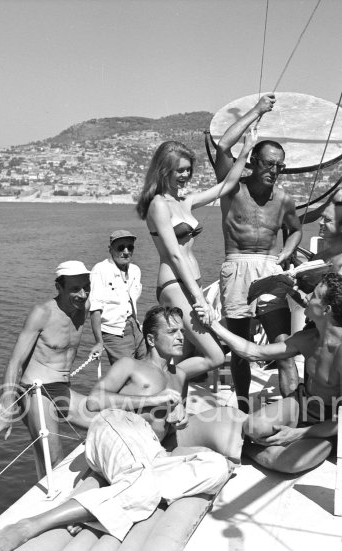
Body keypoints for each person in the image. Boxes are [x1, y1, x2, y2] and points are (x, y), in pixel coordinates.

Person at [0, 305, 231, 551]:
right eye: (172, 331)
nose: (181, 337)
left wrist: (180, 417)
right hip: (118, 426)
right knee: (144, 490)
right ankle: (31, 525)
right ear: (151, 339)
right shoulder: (130, 365)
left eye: (182, 331)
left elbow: (215, 359)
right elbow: (95, 401)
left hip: (148, 450)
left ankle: (101, 507)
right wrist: (152, 400)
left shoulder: (179, 377)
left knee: (217, 467)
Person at [197, 272, 342, 474]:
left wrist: (296, 434)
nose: (307, 297)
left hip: (327, 424)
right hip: (302, 404)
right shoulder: (309, 338)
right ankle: (246, 446)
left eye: (315, 295)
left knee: (289, 463)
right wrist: (212, 324)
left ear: (326, 309)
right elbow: (256, 352)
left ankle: (245, 449)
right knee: (253, 427)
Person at [136, 131, 257, 380]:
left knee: (183, 354)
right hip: (175, 283)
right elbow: (175, 255)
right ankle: (156, 379)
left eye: (188, 170)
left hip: (191, 284)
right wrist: (199, 299)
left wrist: (246, 150)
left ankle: (173, 402)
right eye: (179, 170)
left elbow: (227, 185)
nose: (185, 176)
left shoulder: (184, 201)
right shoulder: (158, 204)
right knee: (215, 356)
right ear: (164, 170)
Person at [215, 93, 303, 411]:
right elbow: (224, 146)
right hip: (237, 266)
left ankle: (291, 405)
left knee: (282, 343)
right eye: (268, 164)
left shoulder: (284, 200)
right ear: (253, 162)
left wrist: (285, 254)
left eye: (279, 166)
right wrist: (257, 111)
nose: (274, 171)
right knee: (241, 347)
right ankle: (241, 408)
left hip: (270, 267)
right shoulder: (232, 189)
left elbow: (294, 231)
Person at [0, 261, 97, 478]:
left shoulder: (83, 306)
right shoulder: (42, 313)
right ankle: (51, 503)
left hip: (62, 388)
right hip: (36, 392)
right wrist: (8, 406)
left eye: (87, 287)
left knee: (107, 424)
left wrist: (100, 340)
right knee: (52, 457)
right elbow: (15, 362)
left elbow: (103, 308)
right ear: (59, 287)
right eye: (75, 288)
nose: (83, 294)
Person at [90, 230, 146, 365]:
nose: (126, 251)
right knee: (127, 374)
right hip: (114, 332)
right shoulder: (100, 270)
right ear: (110, 249)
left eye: (130, 247)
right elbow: (95, 308)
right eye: (120, 247)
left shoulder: (135, 271)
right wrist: (99, 342)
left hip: (134, 327)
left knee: (148, 365)